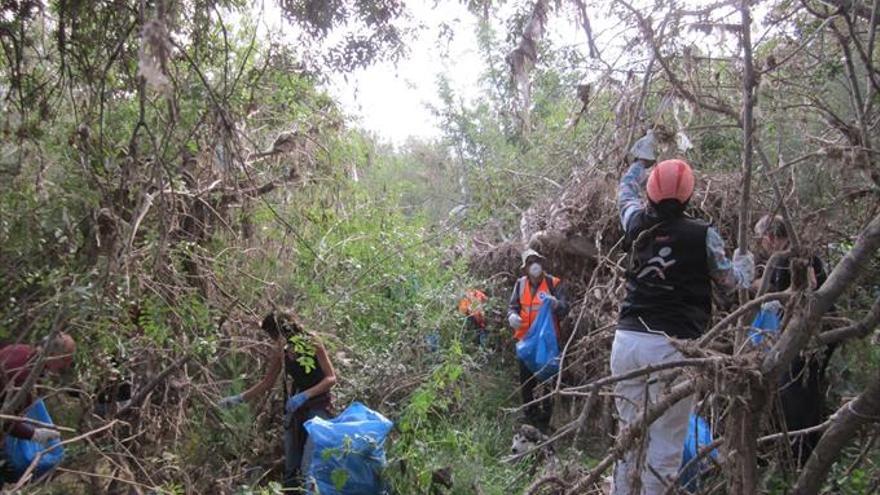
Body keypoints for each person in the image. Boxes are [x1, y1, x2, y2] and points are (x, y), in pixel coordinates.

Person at [612, 131, 755, 494]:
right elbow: (731, 283)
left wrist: (639, 164)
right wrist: (746, 267)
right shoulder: (703, 235)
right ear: (689, 194)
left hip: (626, 342)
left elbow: (624, 193)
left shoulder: (635, 223)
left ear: (652, 192)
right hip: (674, 347)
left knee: (628, 437)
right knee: (665, 446)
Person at [218, 311, 337, 490]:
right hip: (297, 409)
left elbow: (331, 378)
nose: (273, 339)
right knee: (291, 461)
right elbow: (267, 382)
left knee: (308, 464)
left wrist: (305, 395)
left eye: (273, 334)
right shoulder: (282, 350)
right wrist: (239, 399)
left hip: (318, 405)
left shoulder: (312, 342)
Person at [754, 214, 834, 467]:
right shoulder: (800, 252)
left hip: (806, 338)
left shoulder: (788, 257)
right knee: (808, 393)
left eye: (762, 240)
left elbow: (803, 289)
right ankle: (804, 454)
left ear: (769, 237)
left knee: (795, 394)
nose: (763, 247)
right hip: (817, 335)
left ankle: (798, 458)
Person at [0, 333, 76, 482]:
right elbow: (6, 419)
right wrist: (33, 434)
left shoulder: (23, 351)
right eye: (65, 360)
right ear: (53, 355)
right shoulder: (23, 375)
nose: (66, 365)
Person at [507, 249, 569, 431]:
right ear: (525, 268)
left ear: (542, 264)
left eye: (537, 261)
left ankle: (546, 420)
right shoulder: (520, 285)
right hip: (526, 343)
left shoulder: (553, 283)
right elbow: (512, 307)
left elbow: (566, 308)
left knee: (548, 381)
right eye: (530, 262)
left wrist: (556, 304)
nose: (534, 265)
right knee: (527, 383)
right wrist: (512, 317)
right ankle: (530, 417)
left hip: (547, 344)